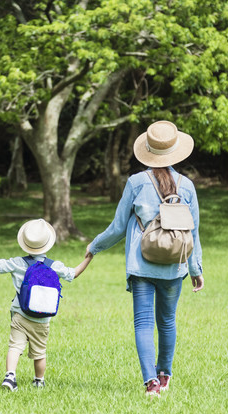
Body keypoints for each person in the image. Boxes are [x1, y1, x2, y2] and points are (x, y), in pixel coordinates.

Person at [85, 120, 204, 396]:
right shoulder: (187, 186)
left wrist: (94, 246)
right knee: (167, 322)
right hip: (175, 265)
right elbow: (194, 232)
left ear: (148, 150)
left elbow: (116, 228)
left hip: (141, 265)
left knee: (143, 323)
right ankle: (165, 376)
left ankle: (150, 383)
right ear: (175, 150)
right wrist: (195, 268)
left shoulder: (136, 182)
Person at [0, 219, 92, 391]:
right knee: (40, 352)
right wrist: (89, 257)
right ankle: (39, 380)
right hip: (42, 319)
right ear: (48, 245)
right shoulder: (55, 266)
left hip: (20, 314)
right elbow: (73, 274)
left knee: (15, 346)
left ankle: (10, 375)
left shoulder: (17, 262)